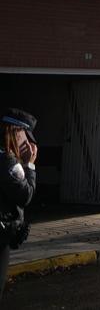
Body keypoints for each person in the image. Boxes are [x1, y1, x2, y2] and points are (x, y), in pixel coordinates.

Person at [1, 109, 37, 297]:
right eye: (26, 136)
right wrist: (30, 165)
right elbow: (25, 195)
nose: (29, 144)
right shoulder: (8, 161)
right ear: (17, 132)